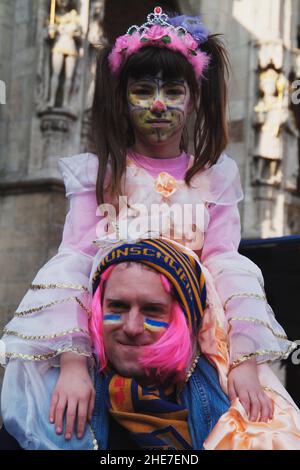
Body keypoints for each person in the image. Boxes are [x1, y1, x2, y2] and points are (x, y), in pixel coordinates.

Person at [0, 7, 297, 443]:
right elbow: (75, 261)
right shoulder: (98, 175)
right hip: (108, 340)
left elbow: (225, 263)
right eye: (142, 90)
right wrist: (73, 364)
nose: (158, 104)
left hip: (194, 346)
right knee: (70, 425)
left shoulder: (215, 178)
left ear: (193, 98)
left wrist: (245, 361)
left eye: (173, 91)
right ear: (123, 99)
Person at [1, 240, 300, 450]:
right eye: (116, 307)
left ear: (190, 320)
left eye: (153, 310)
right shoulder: (48, 409)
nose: (131, 327)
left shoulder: (241, 415)